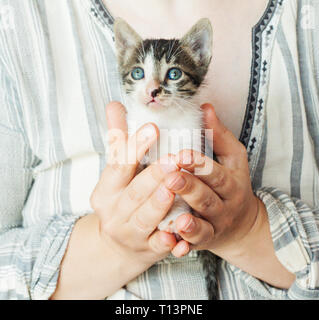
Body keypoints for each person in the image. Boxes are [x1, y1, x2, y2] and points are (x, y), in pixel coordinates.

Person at [0, 0, 318, 300]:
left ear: (200, 53)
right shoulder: (19, 22)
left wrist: (249, 228)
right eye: (139, 74)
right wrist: (110, 246)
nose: (154, 89)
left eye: (172, 75)